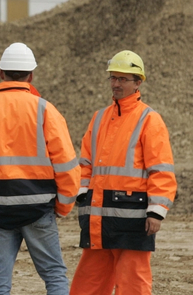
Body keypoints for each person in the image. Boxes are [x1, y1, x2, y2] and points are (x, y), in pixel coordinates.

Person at [0, 42, 81, 295]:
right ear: (31, 75)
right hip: (39, 207)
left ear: (1, 73)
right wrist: (63, 206)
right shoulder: (45, 109)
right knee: (55, 276)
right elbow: (66, 164)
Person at [70, 50, 177, 295]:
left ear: (138, 82)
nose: (116, 84)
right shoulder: (99, 118)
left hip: (133, 220)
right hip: (98, 218)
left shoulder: (149, 119)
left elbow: (161, 169)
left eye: (123, 79)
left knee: (133, 285)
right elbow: (85, 163)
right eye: (113, 78)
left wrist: (157, 212)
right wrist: (81, 194)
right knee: (88, 285)